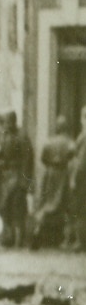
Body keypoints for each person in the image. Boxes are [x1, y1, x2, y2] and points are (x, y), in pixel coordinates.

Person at [0, 110, 34, 248]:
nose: (6, 125)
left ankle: (18, 239)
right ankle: (7, 234)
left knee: (17, 209)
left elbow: (28, 160)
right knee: (2, 206)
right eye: (5, 122)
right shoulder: (4, 134)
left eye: (8, 122)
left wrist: (25, 181)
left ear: (14, 121)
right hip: (4, 176)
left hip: (17, 175)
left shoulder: (22, 136)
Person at [29, 116, 76, 249]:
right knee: (66, 206)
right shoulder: (70, 142)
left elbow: (43, 158)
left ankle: (37, 230)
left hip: (50, 174)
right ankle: (66, 239)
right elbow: (73, 157)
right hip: (63, 174)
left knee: (47, 204)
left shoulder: (49, 142)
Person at [66, 107, 86, 251]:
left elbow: (81, 163)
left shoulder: (84, 136)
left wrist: (74, 179)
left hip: (82, 180)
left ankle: (81, 241)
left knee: (80, 210)